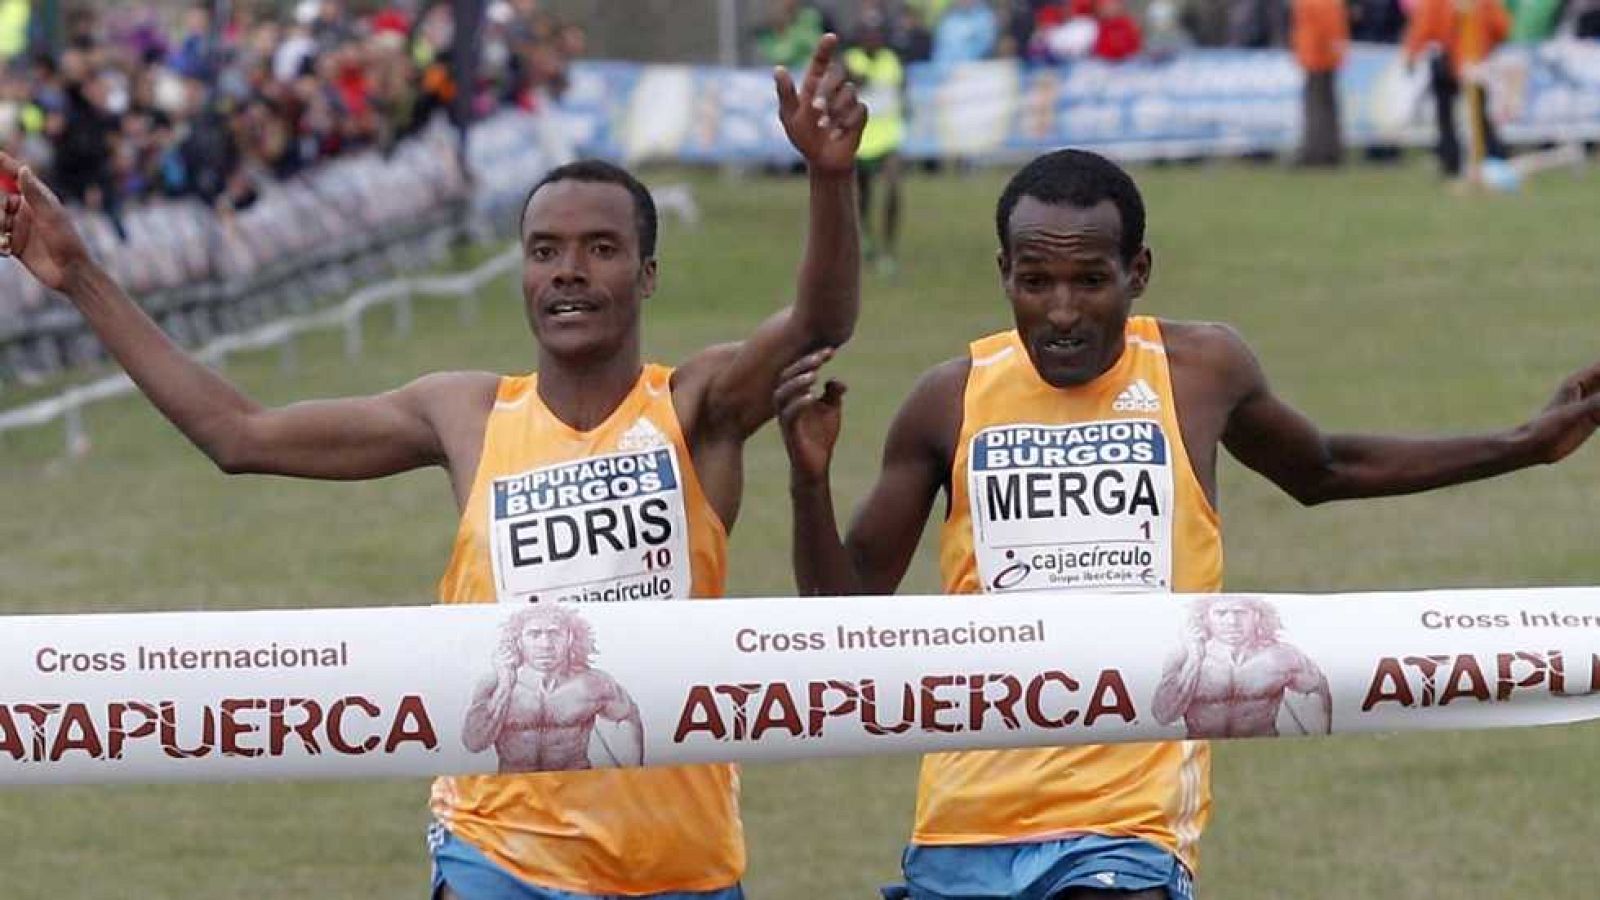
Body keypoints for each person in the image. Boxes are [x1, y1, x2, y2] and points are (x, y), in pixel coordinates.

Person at [0, 34, 865, 900]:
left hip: (682, 865)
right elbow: (240, 433)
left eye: (600, 249)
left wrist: (829, 180)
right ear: (521, 271)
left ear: (646, 275)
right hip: (500, 861)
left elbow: (817, 322)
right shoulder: (468, 414)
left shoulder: (694, 405)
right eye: (544, 251)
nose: (569, 271)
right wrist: (80, 276)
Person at [774, 148, 1600, 900]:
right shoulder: (948, 399)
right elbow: (843, 616)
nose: (1061, 311)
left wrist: (1526, 443)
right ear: (1004, 274)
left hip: (1129, 824)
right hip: (963, 822)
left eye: (1089, 280)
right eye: (1035, 282)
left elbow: (1326, 469)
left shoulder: (1200, 372)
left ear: (1137, 272)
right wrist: (809, 483)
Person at [462, 604, 645, 773]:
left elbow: (628, 715)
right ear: (518, 641)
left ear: (569, 638)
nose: (546, 645)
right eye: (534, 634)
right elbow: (474, 743)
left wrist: (634, 772)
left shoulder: (592, 683)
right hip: (516, 792)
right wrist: (505, 685)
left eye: (554, 634)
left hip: (577, 787)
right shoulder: (493, 684)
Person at [1152, 595, 1332, 738]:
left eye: (1240, 613)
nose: (1232, 621)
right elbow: (1163, 715)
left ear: (1256, 616)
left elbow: (1319, 689)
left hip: (1264, 752)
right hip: (1204, 753)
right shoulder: (1183, 656)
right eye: (1221, 613)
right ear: (1206, 618)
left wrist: (1320, 740)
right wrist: (1194, 660)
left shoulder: (1282, 656)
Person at [1404, 0, 1513, 179]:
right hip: (1472, 60)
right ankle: (1493, 158)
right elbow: (1502, 28)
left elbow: (1423, 27)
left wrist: (1412, 53)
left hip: (1454, 60)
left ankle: (1454, 162)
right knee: (1477, 115)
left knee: (1448, 116)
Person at [846, 14, 906, 276]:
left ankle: (888, 249)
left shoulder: (891, 60)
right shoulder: (851, 59)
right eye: (868, 34)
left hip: (888, 137)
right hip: (860, 138)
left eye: (877, 33)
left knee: (893, 188)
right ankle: (866, 237)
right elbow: (849, 81)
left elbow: (900, 89)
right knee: (863, 195)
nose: (873, 38)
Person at [1291, 0, 1348, 166]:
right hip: (1322, 58)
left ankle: (1316, 151)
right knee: (1327, 107)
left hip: (1316, 58)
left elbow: (1327, 30)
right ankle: (1329, 150)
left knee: (1316, 108)